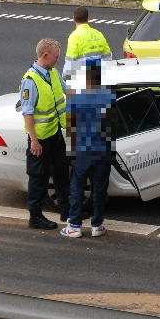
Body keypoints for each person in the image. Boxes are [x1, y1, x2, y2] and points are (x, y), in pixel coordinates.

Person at [61, 58, 115, 238]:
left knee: (77, 187)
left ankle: (74, 225)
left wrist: (72, 151)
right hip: (103, 151)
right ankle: (97, 225)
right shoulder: (109, 97)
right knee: (99, 189)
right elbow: (112, 127)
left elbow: (71, 128)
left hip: (83, 151)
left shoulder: (75, 98)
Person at [19, 38, 70, 230]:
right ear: (45, 55)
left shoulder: (53, 73)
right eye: (56, 57)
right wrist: (34, 141)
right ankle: (35, 216)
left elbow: (67, 90)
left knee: (61, 172)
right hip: (39, 140)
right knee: (39, 177)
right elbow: (28, 113)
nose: (58, 59)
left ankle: (67, 210)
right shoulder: (30, 81)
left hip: (55, 133)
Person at [62, 6, 112, 80]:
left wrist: (64, 78)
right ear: (88, 18)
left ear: (74, 18)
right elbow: (108, 59)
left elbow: (69, 63)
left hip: (82, 80)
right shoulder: (98, 34)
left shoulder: (74, 36)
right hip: (99, 78)